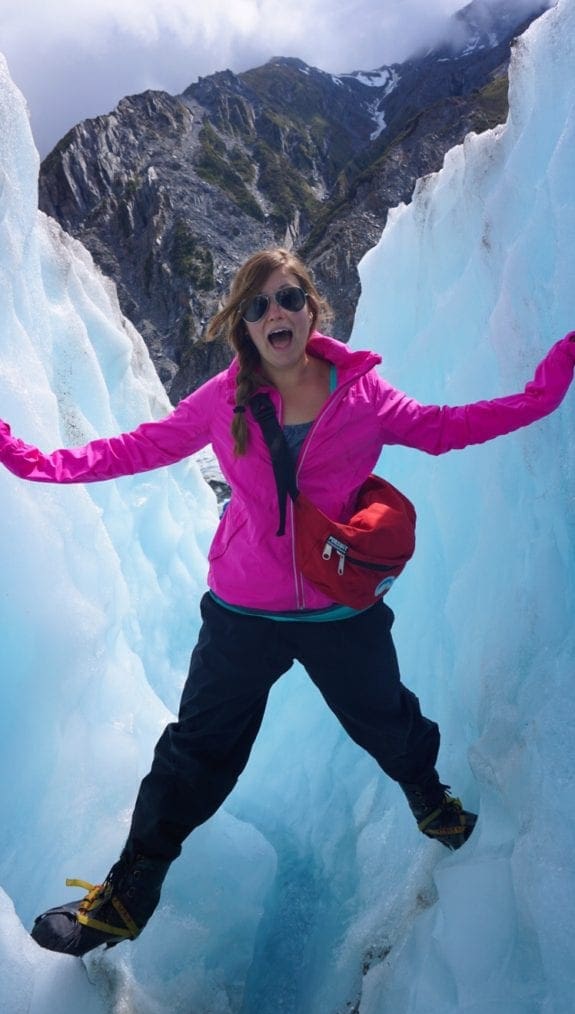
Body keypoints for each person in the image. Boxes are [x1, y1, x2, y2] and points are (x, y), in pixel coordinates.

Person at [1, 248, 573, 958]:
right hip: (244, 613)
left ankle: (430, 801)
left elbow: (447, 427)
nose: (277, 312)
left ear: (312, 309)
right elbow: (141, 447)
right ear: (243, 324)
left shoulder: (362, 397)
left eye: (289, 298)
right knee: (193, 755)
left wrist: (545, 391)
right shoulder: (225, 398)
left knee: (387, 720)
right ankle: (127, 894)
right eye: (259, 304)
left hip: (340, 612)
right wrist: (32, 460)